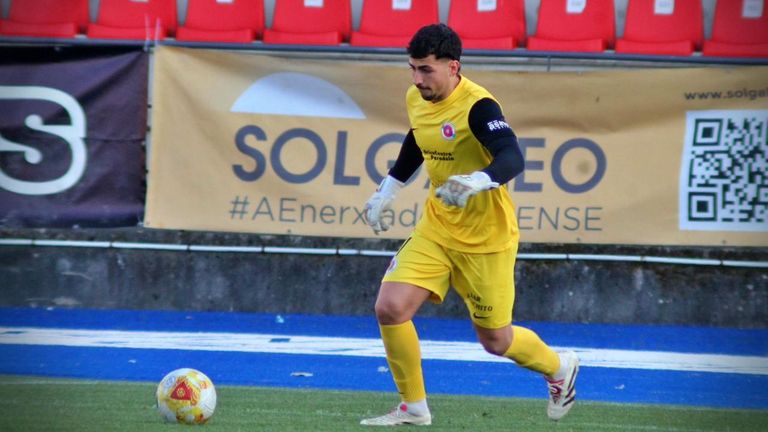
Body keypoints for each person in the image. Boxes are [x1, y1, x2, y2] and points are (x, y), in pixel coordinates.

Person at [360, 24, 579, 427]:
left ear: (453, 67)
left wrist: (479, 180)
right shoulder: (416, 96)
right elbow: (419, 137)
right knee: (390, 308)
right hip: (437, 229)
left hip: (486, 241)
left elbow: (513, 157)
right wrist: (389, 187)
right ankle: (413, 407)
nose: (417, 79)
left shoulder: (479, 106)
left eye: (426, 70)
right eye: (412, 69)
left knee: (496, 341)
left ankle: (559, 367)